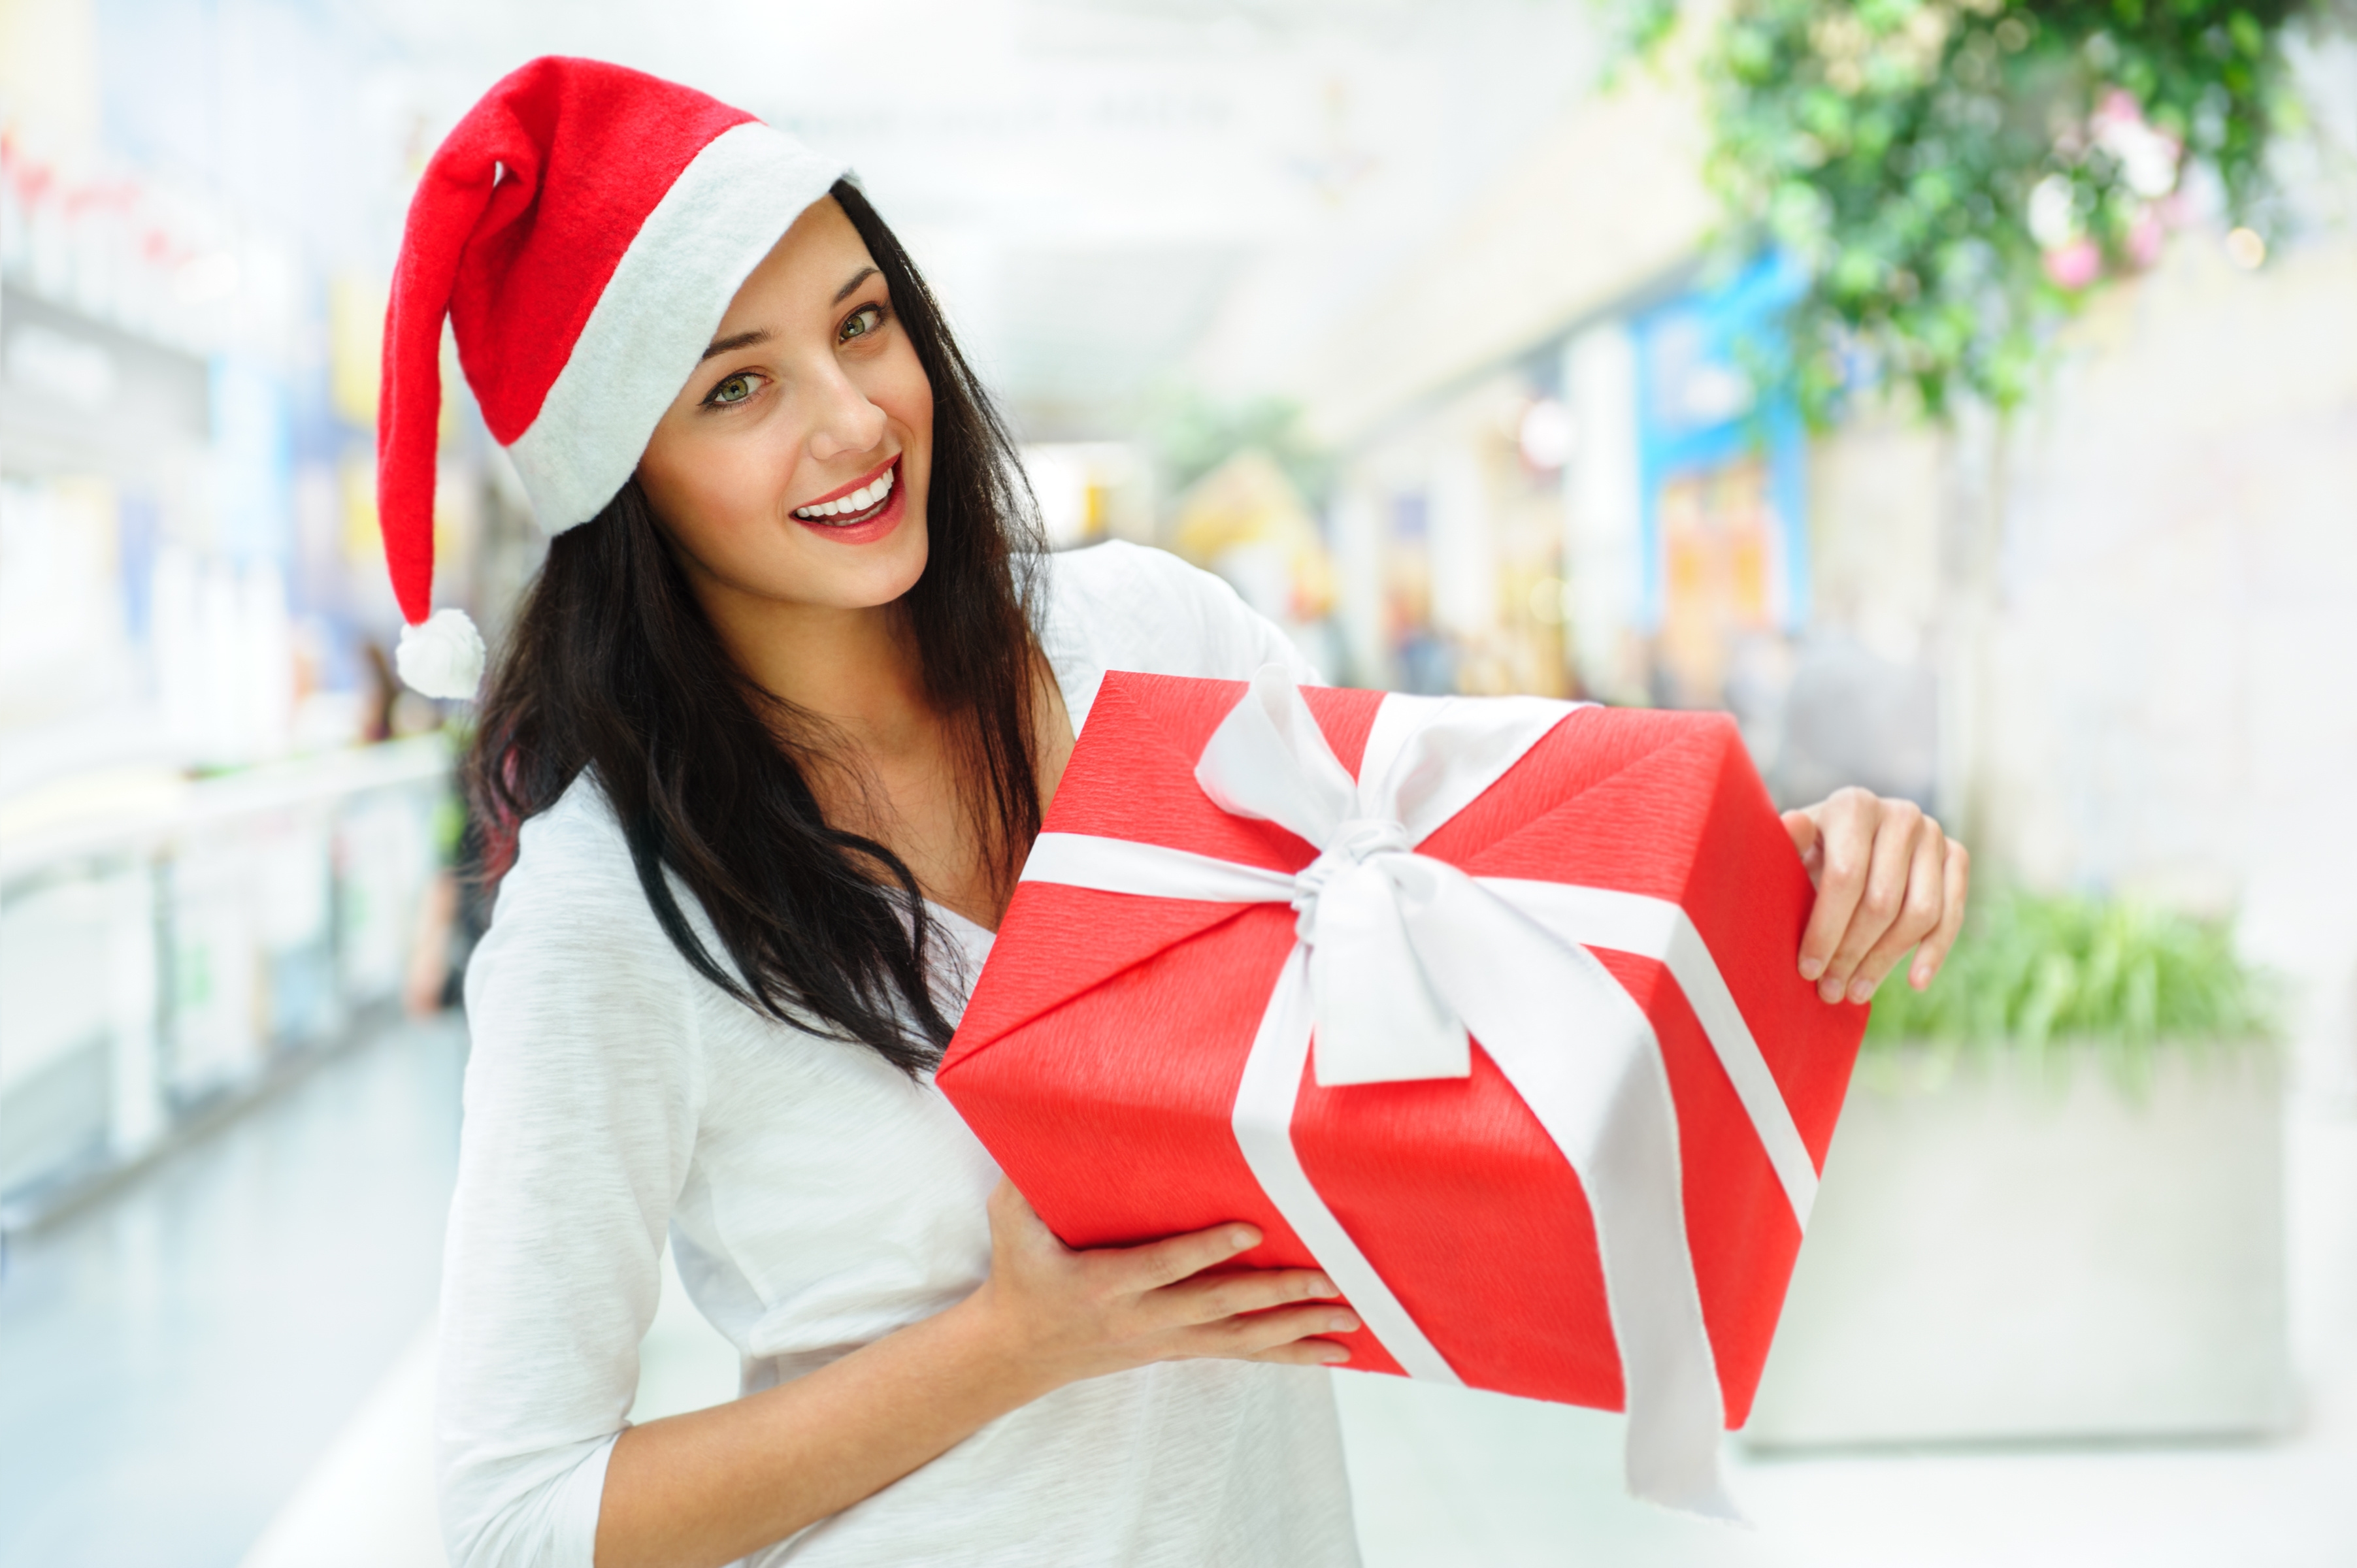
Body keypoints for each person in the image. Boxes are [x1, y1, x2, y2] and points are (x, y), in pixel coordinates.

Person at [374, 59, 1970, 1568]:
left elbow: (1472, 898)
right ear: (623, 480)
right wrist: (1009, 1345)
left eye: (863, 324)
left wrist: (1782, 868)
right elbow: (520, 1517)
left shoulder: (1148, 645)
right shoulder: (615, 912)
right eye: (738, 388)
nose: (854, 419)